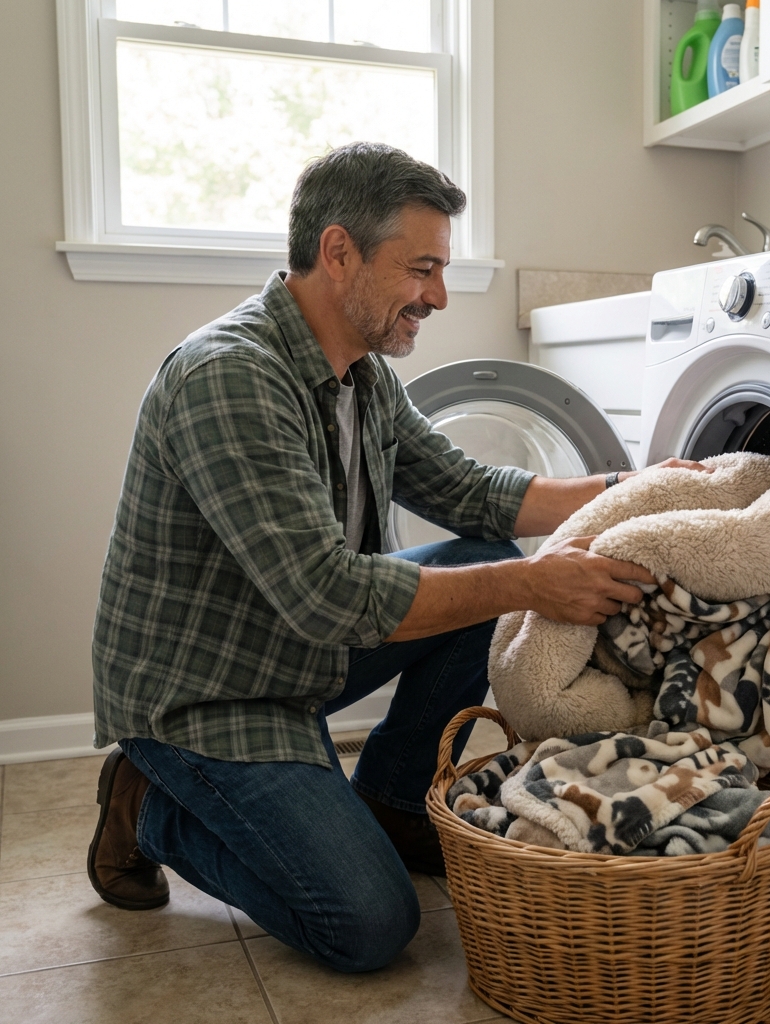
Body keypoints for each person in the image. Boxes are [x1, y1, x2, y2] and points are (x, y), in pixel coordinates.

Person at [87, 142, 706, 972]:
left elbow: (473, 493)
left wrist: (635, 488)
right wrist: (532, 583)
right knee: (370, 926)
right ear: (339, 253)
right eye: (421, 269)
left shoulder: (362, 375)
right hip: (205, 694)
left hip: (296, 654)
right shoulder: (229, 378)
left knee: (479, 553)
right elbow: (329, 599)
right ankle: (151, 806)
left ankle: (388, 797)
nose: (439, 296)